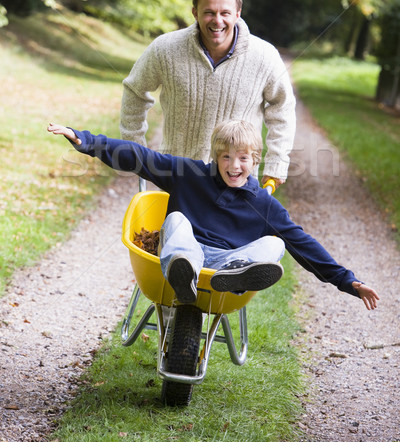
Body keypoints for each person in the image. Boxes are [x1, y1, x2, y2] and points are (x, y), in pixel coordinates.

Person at [47, 120, 379, 311]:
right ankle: (185, 272)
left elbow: (302, 243)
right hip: (184, 249)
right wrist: (85, 140)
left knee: (275, 246)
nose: (235, 166)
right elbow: (140, 157)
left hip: (227, 262)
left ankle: (236, 274)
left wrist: (348, 281)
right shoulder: (188, 173)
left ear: (255, 160)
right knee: (175, 220)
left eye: (244, 158)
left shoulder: (263, 203)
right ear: (215, 157)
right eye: (226, 157)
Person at [120, 0, 296, 189]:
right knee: (173, 224)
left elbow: (282, 108)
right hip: (178, 178)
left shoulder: (264, 56)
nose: (217, 21)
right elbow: (134, 90)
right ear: (195, 13)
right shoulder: (165, 49)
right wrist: (134, 147)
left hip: (237, 181)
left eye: (225, 13)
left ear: (238, 14)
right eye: (209, 13)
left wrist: (276, 162)